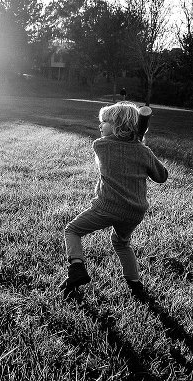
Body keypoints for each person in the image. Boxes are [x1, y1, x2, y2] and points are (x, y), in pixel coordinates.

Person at [59, 101, 168, 299]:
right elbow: (162, 176)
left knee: (72, 230)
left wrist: (137, 147)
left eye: (105, 121)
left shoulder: (101, 145)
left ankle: (76, 268)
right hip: (134, 212)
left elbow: (117, 149)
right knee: (122, 244)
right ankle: (135, 284)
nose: (100, 125)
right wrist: (143, 150)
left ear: (118, 125)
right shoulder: (143, 151)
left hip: (107, 207)